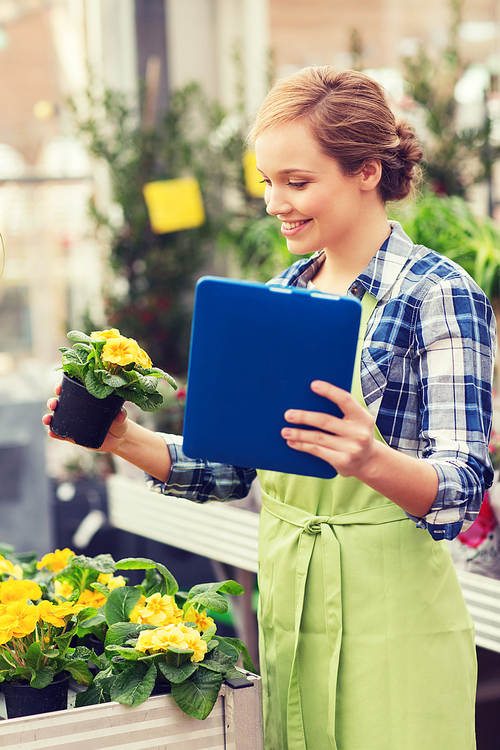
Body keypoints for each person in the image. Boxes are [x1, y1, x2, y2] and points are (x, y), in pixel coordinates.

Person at [44, 67, 496, 750]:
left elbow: (461, 489)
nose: (273, 203)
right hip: (290, 598)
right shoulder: (282, 291)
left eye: (297, 181)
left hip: (394, 617)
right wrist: (124, 437)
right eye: (266, 182)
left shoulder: (439, 294)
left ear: (367, 170)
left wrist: (371, 459)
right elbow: (233, 466)